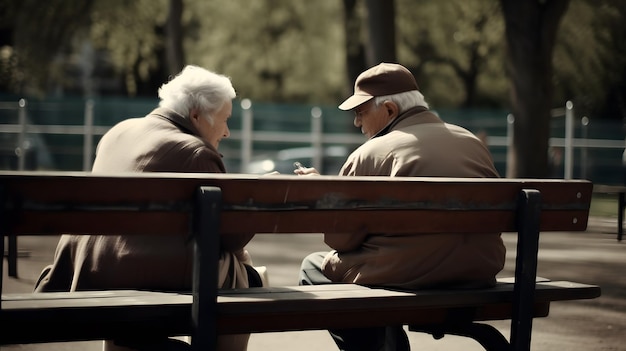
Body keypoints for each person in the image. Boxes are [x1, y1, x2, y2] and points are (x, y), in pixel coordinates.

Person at [34, 65, 263, 351]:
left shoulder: (117, 132)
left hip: (89, 273)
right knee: (245, 269)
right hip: (141, 278)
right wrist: (261, 199)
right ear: (196, 115)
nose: (227, 132)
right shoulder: (197, 153)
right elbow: (229, 237)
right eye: (225, 119)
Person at [296, 63, 506, 351]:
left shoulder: (370, 153)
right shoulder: (471, 143)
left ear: (390, 110)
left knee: (313, 267)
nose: (357, 123)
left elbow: (340, 240)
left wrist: (327, 194)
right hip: (478, 271)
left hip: (408, 277)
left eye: (361, 112)